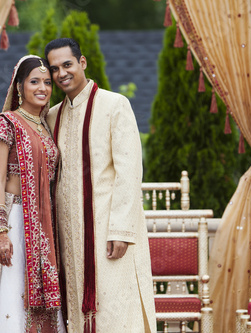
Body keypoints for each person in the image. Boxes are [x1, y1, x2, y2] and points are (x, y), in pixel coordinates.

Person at [44, 38, 156, 333]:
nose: (61, 74)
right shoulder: (53, 116)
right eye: (54, 69)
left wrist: (120, 230)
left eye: (67, 64)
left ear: (82, 62)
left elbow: (129, 171)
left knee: (115, 310)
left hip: (108, 231)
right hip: (69, 237)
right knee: (77, 314)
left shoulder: (114, 104)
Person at [0, 55, 66, 333]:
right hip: (15, 221)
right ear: (20, 86)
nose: (43, 87)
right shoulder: (6, 123)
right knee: (12, 296)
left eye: (47, 82)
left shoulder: (46, 126)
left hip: (42, 227)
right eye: (35, 81)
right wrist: (0, 232)